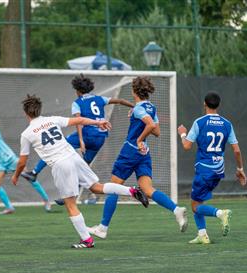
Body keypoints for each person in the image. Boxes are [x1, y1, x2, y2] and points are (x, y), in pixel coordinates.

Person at [11, 95, 148, 249]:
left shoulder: (27, 134)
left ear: (26, 113)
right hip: (73, 156)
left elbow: (22, 161)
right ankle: (132, 190)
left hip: (61, 164)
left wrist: (16, 176)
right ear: (39, 110)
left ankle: (87, 240)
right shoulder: (52, 120)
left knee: (70, 205)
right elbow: (79, 120)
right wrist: (98, 121)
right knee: (97, 187)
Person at [88, 76, 188, 239]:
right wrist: (139, 121)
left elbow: (150, 125)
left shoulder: (138, 109)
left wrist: (139, 138)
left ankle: (102, 228)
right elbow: (156, 131)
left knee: (113, 187)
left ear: (134, 91)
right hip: (144, 153)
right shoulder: (151, 107)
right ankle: (176, 210)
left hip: (130, 151)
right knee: (148, 190)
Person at [21, 74, 134, 193]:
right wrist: (134, 106)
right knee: (84, 168)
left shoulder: (77, 103)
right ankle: (72, 196)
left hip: (87, 134)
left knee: (55, 146)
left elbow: (79, 121)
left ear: (78, 91)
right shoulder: (100, 99)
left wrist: (81, 140)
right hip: (100, 137)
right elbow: (120, 101)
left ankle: (34, 173)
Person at [177, 91, 247, 244]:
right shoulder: (227, 124)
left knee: (195, 206)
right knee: (198, 200)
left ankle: (221, 213)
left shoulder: (199, 122)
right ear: (218, 105)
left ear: (204, 104)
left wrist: (182, 133)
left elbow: (187, 146)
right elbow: (236, 150)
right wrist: (240, 169)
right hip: (218, 170)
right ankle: (202, 235)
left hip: (204, 169)